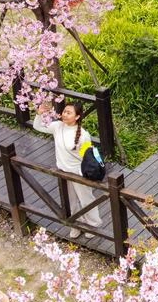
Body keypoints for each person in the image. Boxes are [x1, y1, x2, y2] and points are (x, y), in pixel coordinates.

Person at [33, 101, 102, 239]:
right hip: (63, 171)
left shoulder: (83, 134)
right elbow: (37, 126)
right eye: (64, 111)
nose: (65, 114)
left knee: (86, 199)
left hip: (78, 173)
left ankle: (93, 225)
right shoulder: (58, 127)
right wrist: (39, 113)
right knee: (70, 201)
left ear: (77, 117)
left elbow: (87, 157)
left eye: (69, 112)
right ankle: (76, 224)